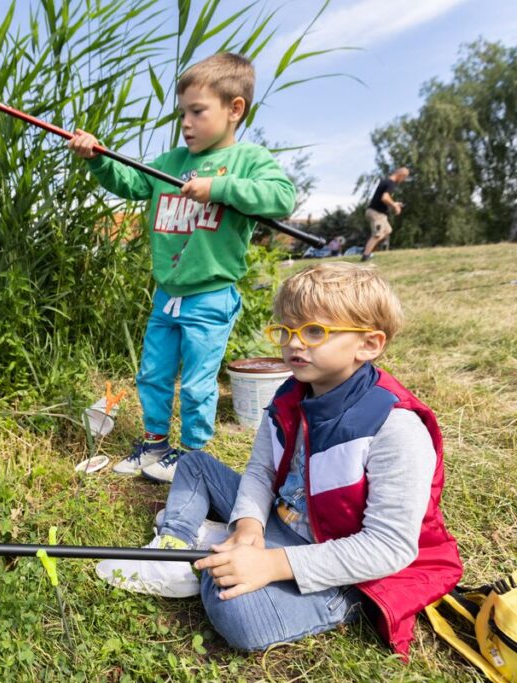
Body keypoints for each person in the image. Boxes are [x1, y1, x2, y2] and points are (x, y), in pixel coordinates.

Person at [95, 262, 462, 657]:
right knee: (193, 463)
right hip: (282, 521)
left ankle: (213, 555)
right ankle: (178, 544)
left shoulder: (395, 428)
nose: (294, 343)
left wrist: (271, 566)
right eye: (286, 330)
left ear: (369, 344)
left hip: (346, 566)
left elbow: (388, 548)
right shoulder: (291, 392)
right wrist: (249, 524)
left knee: (240, 615)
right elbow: (262, 469)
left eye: (315, 331)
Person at [69, 53, 295, 483]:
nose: (186, 123)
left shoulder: (247, 160)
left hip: (210, 295)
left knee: (196, 383)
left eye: (197, 112)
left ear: (234, 110)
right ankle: (153, 445)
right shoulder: (170, 162)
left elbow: (281, 196)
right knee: (152, 373)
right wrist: (97, 158)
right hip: (166, 295)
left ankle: (192, 456)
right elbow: (131, 182)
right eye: (182, 114)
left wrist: (219, 188)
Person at [362, 167, 408, 262]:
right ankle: (366, 256)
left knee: (387, 230)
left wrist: (394, 203)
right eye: (404, 178)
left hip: (377, 212)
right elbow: (385, 198)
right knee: (377, 235)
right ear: (401, 175)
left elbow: (383, 199)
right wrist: (395, 206)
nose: (403, 181)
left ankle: (368, 249)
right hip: (376, 213)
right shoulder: (391, 183)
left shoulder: (386, 182)